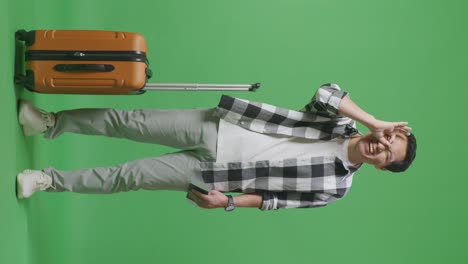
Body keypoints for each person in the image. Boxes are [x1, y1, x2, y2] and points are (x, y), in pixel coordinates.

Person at [16, 83, 416, 211]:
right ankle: (50, 123)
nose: (381, 145)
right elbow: (326, 92)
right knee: (130, 121)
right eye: (388, 138)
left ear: (382, 168)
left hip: (217, 176)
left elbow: (273, 201)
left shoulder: (337, 187)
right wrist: (374, 121)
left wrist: (226, 203)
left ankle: (49, 181)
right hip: (219, 126)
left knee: (130, 176)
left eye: (389, 153)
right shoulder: (342, 122)